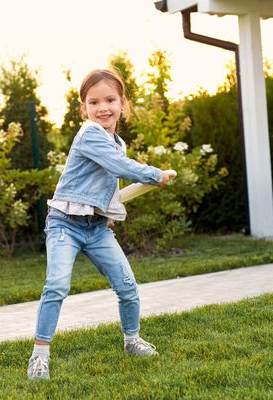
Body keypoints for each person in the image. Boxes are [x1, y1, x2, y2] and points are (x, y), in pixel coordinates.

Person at [27, 69, 176, 379]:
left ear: (123, 103)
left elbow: (104, 185)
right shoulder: (91, 134)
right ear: (84, 108)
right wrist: (154, 175)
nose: (103, 108)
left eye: (110, 100)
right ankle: (39, 356)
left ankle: (132, 341)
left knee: (127, 286)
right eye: (94, 102)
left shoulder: (115, 141)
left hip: (95, 228)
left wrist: (106, 215)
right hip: (64, 225)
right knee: (56, 285)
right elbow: (119, 167)